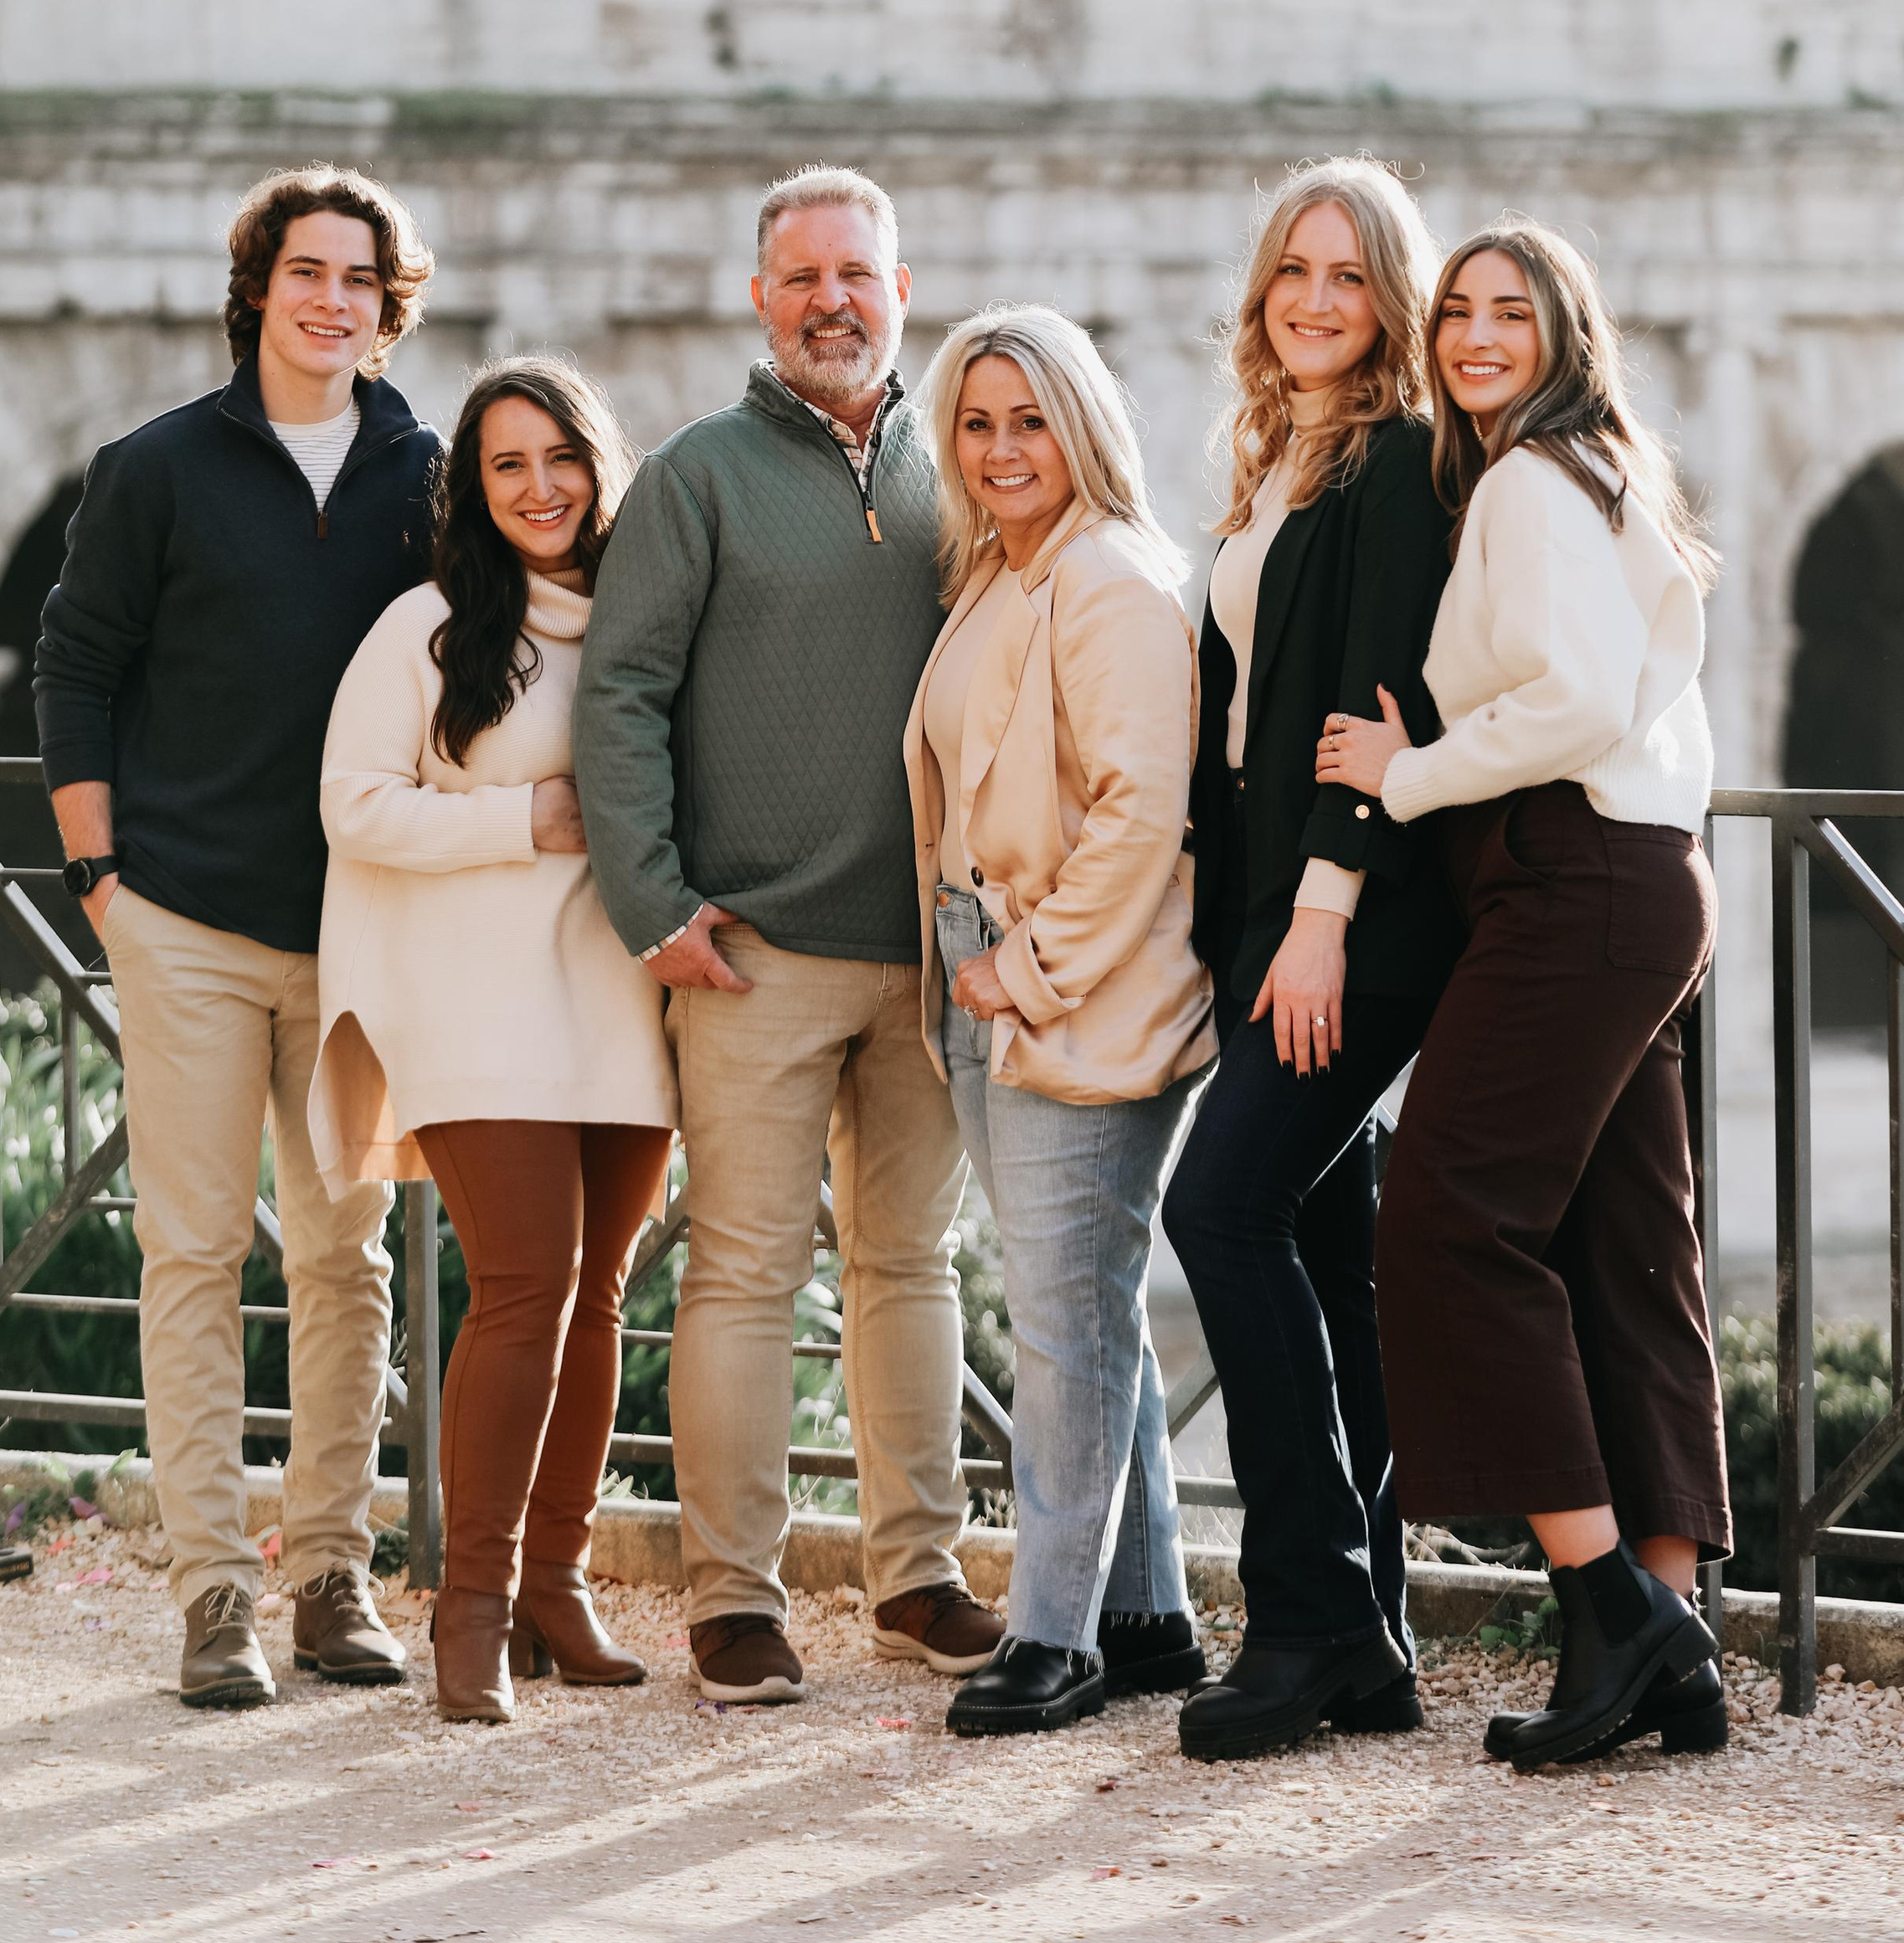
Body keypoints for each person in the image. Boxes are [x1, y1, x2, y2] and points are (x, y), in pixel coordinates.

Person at [574, 165, 1002, 1705]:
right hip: (748, 951)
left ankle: (920, 1579)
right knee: (744, 1279)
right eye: (804, 274)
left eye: (860, 274)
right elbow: (615, 693)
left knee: (912, 1270)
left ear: (904, 289)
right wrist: (654, 904)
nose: (834, 299)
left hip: (936, 950)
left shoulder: (969, 468)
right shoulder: (696, 476)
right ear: (761, 298)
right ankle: (733, 1602)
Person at [1317, 218, 1728, 1771]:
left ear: (1566, 331)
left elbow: (1565, 700)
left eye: (1512, 312)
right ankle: (1671, 1647)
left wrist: (1406, 774)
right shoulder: (1613, 475)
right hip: (1643, 873)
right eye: (1458, 313)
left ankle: (1606, 1596)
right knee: (1632, 1244)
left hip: (1573, 874)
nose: (1476, 337)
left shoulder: (1525, 482)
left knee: (1446, 1223)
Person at [35, 164, 440, 1709]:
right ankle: (215, 1594)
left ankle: (332, 1571)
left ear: (384, 308)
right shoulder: (155, 469)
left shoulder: (430, 472)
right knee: (194, 1257)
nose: (331, 300)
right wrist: (102, 880)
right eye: (306, 274)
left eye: (358, 280)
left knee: (348, 1263)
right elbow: (75, 668)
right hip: (187, 926)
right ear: (258, 291)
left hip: (360, 932)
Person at [311, 357, 677, 1725]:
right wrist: (523, 822)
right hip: (473, 1000)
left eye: (562, 457)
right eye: (507, 464)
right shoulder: (426, 627)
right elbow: (354, 806)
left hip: (621, 995)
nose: (540, 487)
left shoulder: (646, 624)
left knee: (599, 1295)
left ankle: (556, 1589)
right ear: (472, 487)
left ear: (601, 467)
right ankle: (468, 1609)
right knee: (527, 1281)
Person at [1160, 160, 1459, 1761]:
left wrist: (1326, 907)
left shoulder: (1401, 462)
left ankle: (1307, 1614)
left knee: (1220, 1206)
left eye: (1353, 275)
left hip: (1343, 920)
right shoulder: (1280, 460)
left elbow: (1377, 694)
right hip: (1266, 917)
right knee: (1326, 1262)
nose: (1321, 299)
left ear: (1388, 300)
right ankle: (1378, 1642)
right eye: (1298, 271)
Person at [906, 305, 1215, 1738]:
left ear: (1082, 423)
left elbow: (1144, 814)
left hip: (1068, 979)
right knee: (1086, 1308)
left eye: (1029, 419)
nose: (1001, 448)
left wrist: (1023, 969)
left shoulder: (1108, 580)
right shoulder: (1003, 573)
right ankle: (1146, 1615)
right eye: (976, 423)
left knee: (1058, 1323)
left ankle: (1055, 1637)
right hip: (989, 962)